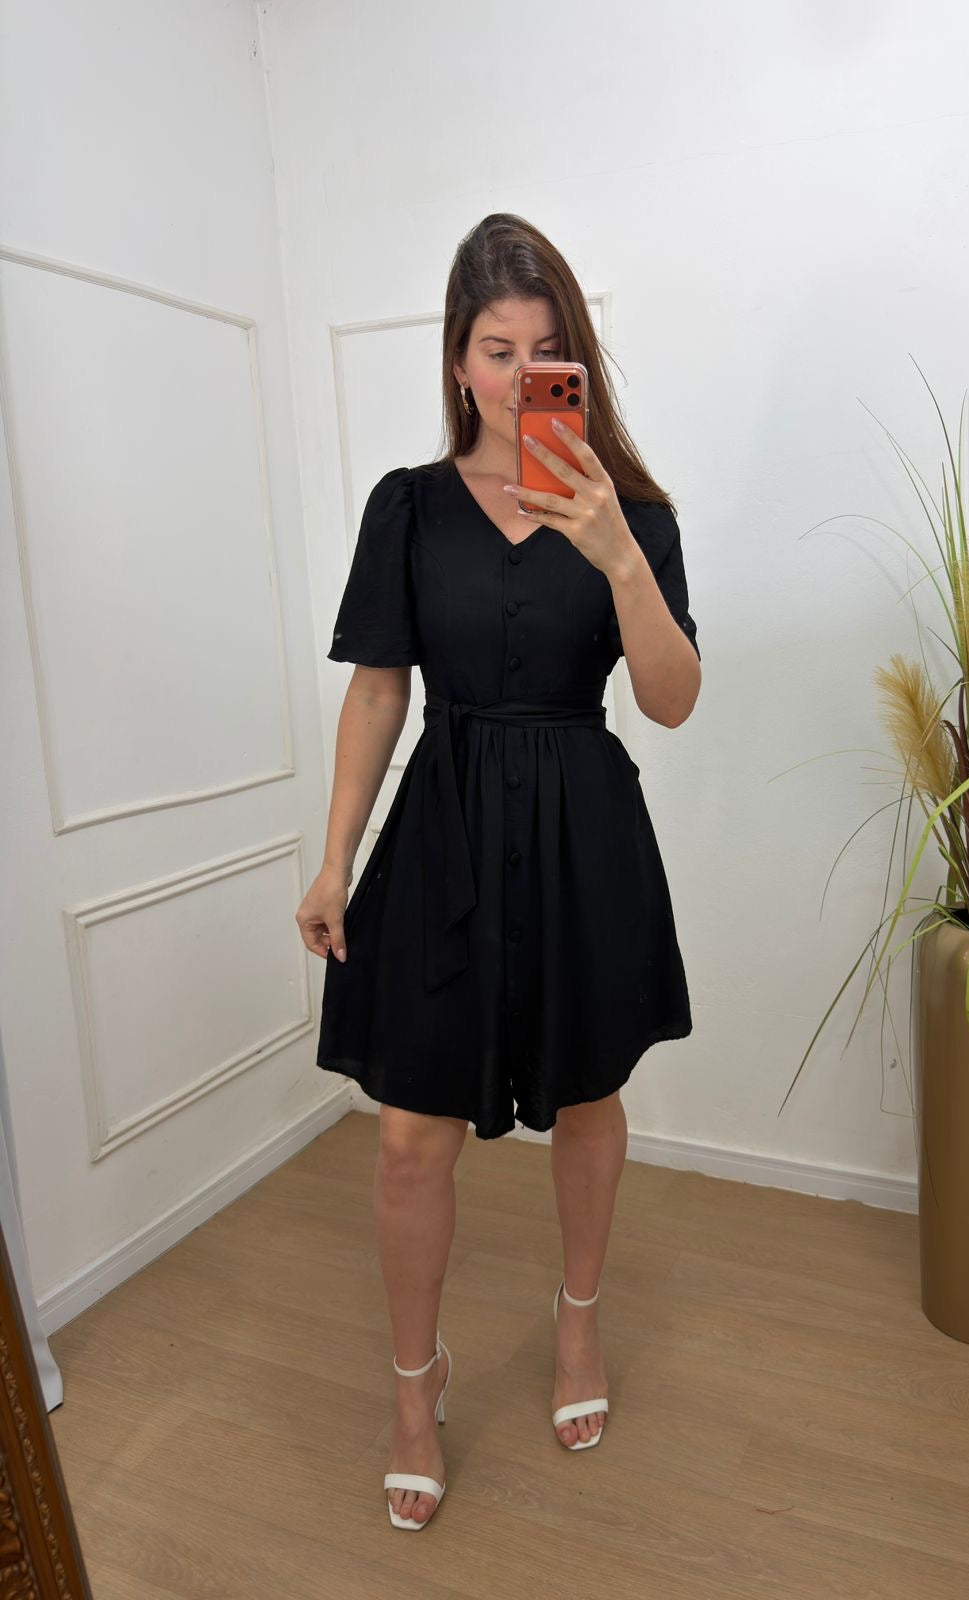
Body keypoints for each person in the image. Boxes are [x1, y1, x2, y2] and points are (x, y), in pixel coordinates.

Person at [295, 213, 702, 1530]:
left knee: (587, 1097)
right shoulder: (407, 508)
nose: (522, 374)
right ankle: (416, 1390)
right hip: (447, 827)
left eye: (545, 349)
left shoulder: (634, 515)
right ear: (459, 361)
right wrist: (332, 860)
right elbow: (378, 691)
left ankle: (577, 1321)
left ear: (575, 359)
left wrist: (618, 555)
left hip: (585, 829)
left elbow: (672, 698)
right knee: (409, 1134)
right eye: (495, 349)